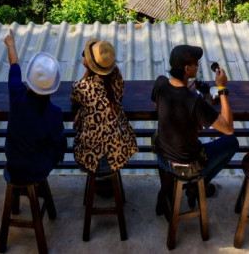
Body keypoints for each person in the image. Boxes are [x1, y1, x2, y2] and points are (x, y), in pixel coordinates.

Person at [151, 44, 238, 213]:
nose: (198, 66)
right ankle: (199, 185)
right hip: (186, 167)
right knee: (232, 142)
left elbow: (159, 101)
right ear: (186, 68)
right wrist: (222, 89)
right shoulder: (194, 102)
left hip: (163, 157)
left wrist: (185, 89)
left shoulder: (160, 83)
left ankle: (179, 191)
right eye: (195, 64)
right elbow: (228, 128)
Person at [2, 30, 67, 185]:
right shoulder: (55, 114)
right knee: (60, 140)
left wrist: (10, 44)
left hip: (14, 163)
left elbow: (14, 66)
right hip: (40, 169)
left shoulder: (16, 95)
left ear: (30, 79)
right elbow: (58, 141)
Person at [71, 39, 137, 180]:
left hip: (90, 161)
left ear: (90, 64)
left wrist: (88, 71)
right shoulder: (117, 77)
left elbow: (75, 96)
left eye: (85, 55)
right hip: (119, 156)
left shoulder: (82, 88)